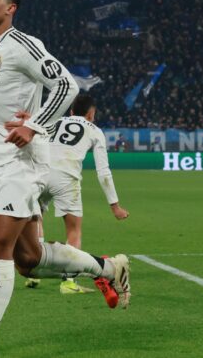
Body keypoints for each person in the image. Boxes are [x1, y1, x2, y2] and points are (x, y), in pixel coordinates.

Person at [0, 0, 131, 357]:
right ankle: (107, 268)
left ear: (11, 8)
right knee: (28, 261)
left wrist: (36, 126)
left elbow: (67, 85)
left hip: (22, 165)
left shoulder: (23, 46)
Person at [34, 95, 130, 294]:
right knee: (73, 230)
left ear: (71, 112)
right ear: (91, 114)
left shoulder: (55, 121)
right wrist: (115, 206)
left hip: (40, 173)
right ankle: (68, 282)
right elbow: (103, 171)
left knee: (37, 217)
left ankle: (35, 273)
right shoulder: (95, 130)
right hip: (66, 178)